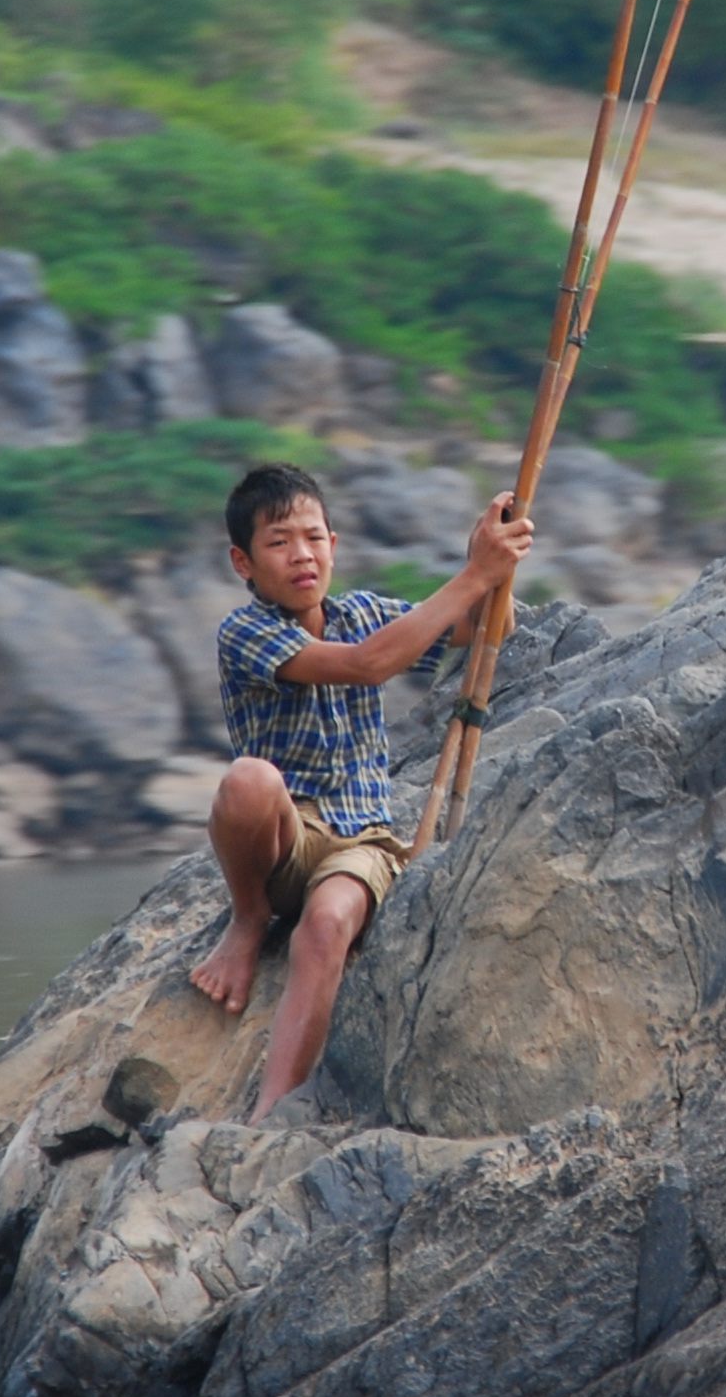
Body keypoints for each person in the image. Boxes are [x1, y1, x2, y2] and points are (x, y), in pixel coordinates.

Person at [191, 459, 535, 1107]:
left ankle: (271, 1111)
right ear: (244, 563)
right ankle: (247, 919)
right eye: (279, 542)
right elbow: (366, 666)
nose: (302, 555)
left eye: (314, 538)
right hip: (283, 838)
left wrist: (493, 566)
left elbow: (486, 626)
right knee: (248, 781)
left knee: (323, 932)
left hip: (362, 843)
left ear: (334, 545)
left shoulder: (362, 612)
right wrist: (472, 575)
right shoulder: (246, 631)